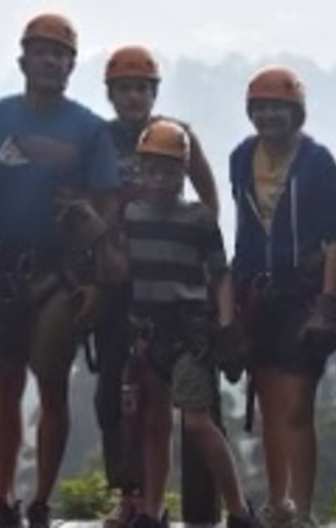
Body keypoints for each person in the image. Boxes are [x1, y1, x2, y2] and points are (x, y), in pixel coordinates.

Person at [0, 13, 120, 528]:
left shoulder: (88, 129)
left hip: (62, 271)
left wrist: (94, 278)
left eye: (60, 54)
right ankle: (2, 499)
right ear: (23, 59)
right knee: (5, 382)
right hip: (6, 265)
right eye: (42, 52)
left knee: (50, 383)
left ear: (72, 65)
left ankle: (41, 500)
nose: (51, 60)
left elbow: (107, 207)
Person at [96, 45, 220, 527]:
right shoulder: (100, 140)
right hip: (121, 285)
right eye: (124, 88)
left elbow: (208, 196)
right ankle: (132, 497)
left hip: (172, 288)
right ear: (111, 94)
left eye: (141, 88)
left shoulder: (176, 135)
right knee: (118, 393)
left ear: (154, 92)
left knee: (181, 401)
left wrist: (197, 249)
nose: (133, 97)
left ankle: (168, 504)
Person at [230, 66, 336, 528]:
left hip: (302, 294)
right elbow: (244, 224)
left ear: (296, 112)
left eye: (278, 107)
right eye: (260, 107)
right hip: (257, 295)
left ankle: (302, 509)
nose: (269, 116)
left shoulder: (317, 162)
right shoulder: (242, 157)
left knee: (297, 401)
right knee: (266, 401)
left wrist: (328, 300)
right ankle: (276, 504)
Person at [122, 119, 258, 528]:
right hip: (147, 330)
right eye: (153, 169)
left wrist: (227, 323)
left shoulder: (198, 219)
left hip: (188, 331)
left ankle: (237, 511)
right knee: (153, 423)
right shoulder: (131, 215)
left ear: (183, 173)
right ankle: (152, 510)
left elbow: (219, 275)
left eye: (169, 170)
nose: (160, 178)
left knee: (198, 422)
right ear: (140, 170)